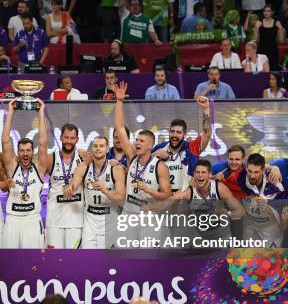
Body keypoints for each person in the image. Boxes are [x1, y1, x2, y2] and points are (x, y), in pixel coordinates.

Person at [115, 82, 172, 215]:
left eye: (141, 141)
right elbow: (120, 128)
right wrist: (119, 101)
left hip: (148, 214)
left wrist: (148, 190)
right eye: (137, 140)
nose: (137, 143)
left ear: (150, 146)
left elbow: (167, 195)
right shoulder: (132, 156)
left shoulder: (160, 166)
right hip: (128, 213)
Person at [1, 98, 49, 248]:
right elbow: (5, 140)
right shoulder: (12, 167)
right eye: (22, 150)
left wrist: (40, 112)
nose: (25, 153)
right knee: (10, 260)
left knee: (33, 260)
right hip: (13, 219)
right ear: (18, 152)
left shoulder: (40, 167)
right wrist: (11, 112)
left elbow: (42, 142)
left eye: (28, 150)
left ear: (32, 151)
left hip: (32, 220)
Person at [65, 136, 125, 248]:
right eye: (95, 146)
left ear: (107, 149)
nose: (98, 149)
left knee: (105, 262)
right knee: (88, 261)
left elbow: (122, 200)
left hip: (110, 222)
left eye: (101, 146)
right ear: (92, 148)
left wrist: (105, 191)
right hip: (90, 223)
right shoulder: (83, 167)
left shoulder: (116, 169)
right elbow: (70, 189)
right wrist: (69, 190)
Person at [152, 96, 212, 193]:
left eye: (179, 132)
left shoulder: (192, 147)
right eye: (172, 131)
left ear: (185, 134)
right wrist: (154, 155)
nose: (175, 135)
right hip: (163, 196)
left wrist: (206, 109)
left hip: (186, 196)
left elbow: (207, 133)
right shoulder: (160, 147)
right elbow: (142, 161)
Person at [39, 123, 85, 249]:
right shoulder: (51, 159)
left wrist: (113, 162)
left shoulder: (84, 158)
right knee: (54, 260)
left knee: (73, 260)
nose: (69, 141)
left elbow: (102, 163)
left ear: (77, 139)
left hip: (76, 221)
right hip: (54, 221)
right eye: (66, 137)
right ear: (60, 138)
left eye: (72, 138)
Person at [238, 153, 285, 247]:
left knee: (270, 259)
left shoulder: (275, 184)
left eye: (256, 172)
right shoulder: (241, 177)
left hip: (269, 228)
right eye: (250, 171)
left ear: (263, 170)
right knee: (249, 259)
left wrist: (269, 205)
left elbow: (285, 206)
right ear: (246, 168)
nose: (252, 176)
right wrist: (273, 167)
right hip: (249, 226)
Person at [253, 5, 285, 70]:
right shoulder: (259, 22)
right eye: (264, 11)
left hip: (273, 51)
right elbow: (255, 40)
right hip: (262, 50)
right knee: (261, 70)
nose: (266, 13)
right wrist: (256, 28)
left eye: (268, 11)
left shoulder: (276, 22)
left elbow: (281, 40)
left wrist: (281, 28)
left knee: (273, 70)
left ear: (272, 12)